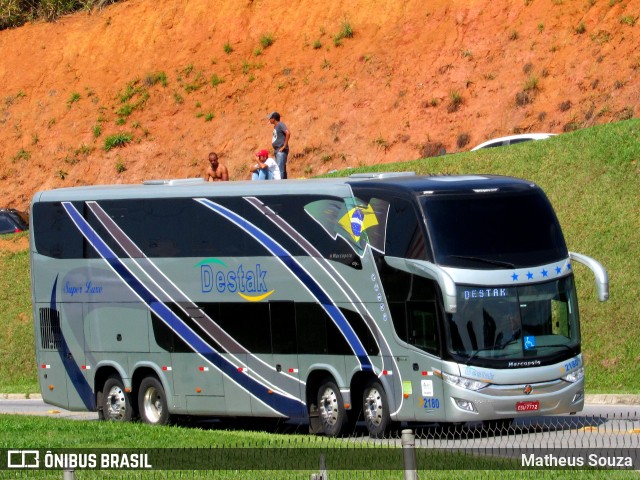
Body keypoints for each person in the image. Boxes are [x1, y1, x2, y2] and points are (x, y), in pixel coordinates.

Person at [267, 111, 290, 179]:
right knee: (281, 168)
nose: (269, 120)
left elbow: (288, 133)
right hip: (278, 151)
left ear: (274, 118)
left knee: (280, 170)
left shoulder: (280, 124)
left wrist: (284, 146)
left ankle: (280, 186)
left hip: (281, 151)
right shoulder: (276, 126)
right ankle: (284, 185)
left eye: (270, 118)